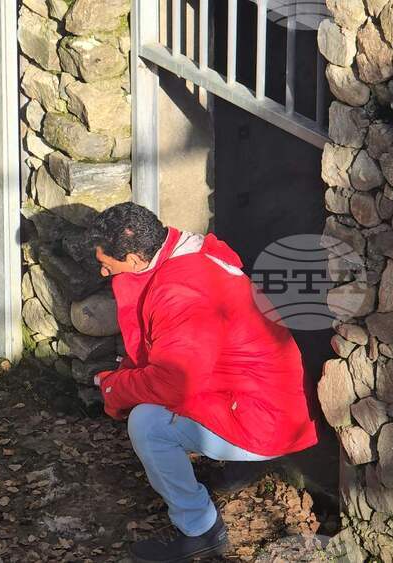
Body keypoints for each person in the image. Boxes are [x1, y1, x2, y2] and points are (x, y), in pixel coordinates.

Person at [84, 203, 318, 563]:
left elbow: (171, 382)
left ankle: (200, 530)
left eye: (107, 264)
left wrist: (114, 389)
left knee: (147, 424)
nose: (103, 270)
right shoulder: (189, 254)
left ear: (132, 259)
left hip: (264, 419)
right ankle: (241, 465)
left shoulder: (179, 291)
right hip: (265, 397)